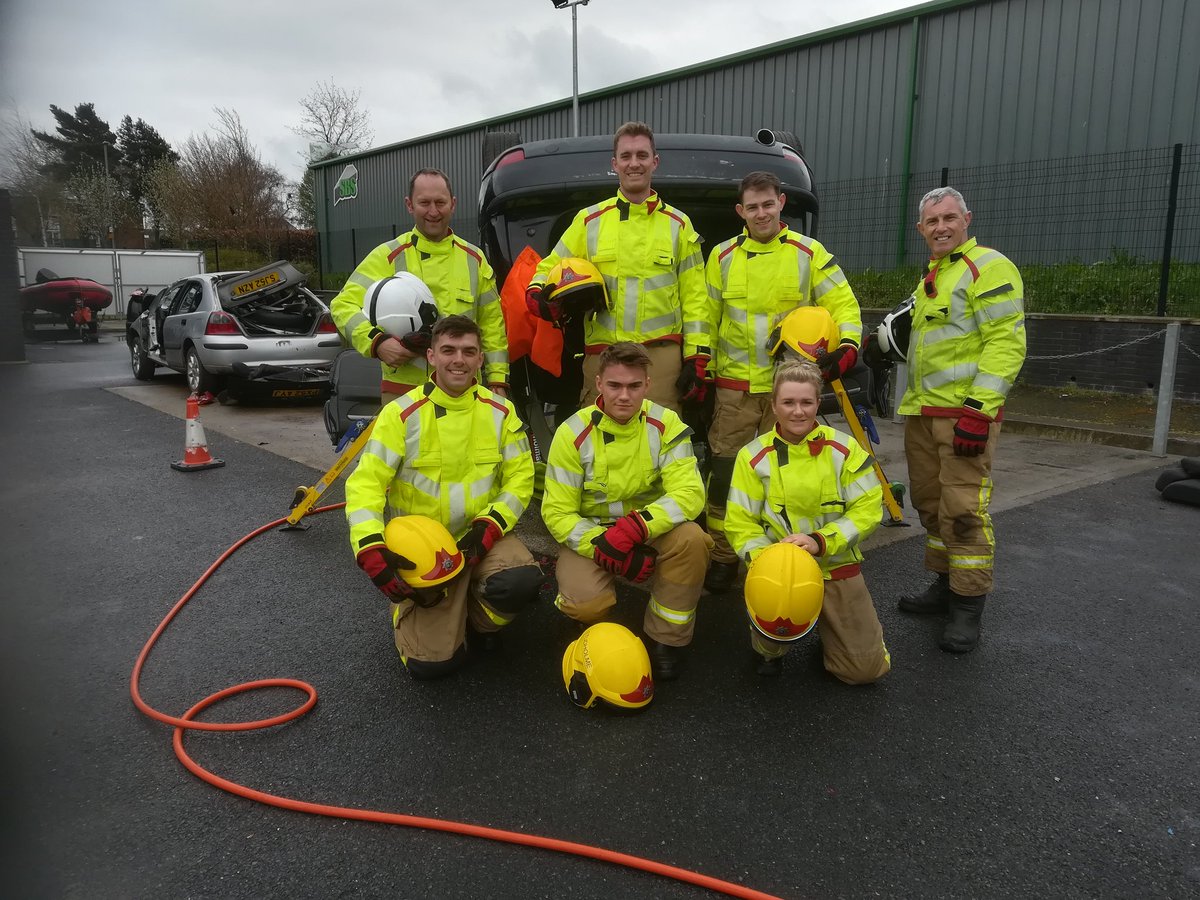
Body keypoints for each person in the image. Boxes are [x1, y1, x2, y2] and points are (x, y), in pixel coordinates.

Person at [344, 315, 542, 679]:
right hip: (425, 551)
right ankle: (419, 611)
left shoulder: (501, 412)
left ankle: (479, 622)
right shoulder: (400, 414)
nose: (459, 360)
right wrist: (370, 547)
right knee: (431, 667)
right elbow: (365, 485)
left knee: (522, 582)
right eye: (449, 350)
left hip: (481, 538)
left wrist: (490, 526)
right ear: (431, 356)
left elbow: (520, 480)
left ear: (480, 359)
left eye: (468, 351)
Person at [700, 170, 864, 594]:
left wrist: (848, 344)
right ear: (740, 211)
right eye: (752, 207)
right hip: (735, 390)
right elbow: (704, 316)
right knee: (724, 476)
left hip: (789, 391)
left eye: (768, 204)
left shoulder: (809, 253)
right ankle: (723, 556)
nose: (761, 213)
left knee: (787, 478)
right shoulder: (721, 257)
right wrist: (699, 364)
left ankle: (786, 555)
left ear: (781, 204)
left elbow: (843, 303)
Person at [894, 186, 1026, 653]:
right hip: (923, 413)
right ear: (921, 229)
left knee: (964, 510)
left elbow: (1006, 342)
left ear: (967, 219)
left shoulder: (986, 266)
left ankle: (968, 604)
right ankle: (944, 585)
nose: (941, 227)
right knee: (931, 505)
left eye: (949, 217)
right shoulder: (935, 274)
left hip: (964, 417)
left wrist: (978, 411)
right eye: (932, 221)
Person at [540, 342, 712, 681]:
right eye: (615, 385)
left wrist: (635, 529)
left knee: (693, 540)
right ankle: (594, 628)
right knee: (584, 603)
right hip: (593, 534)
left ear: (647, 385)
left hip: (648, 529)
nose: (624, 396)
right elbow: (558, 513)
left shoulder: (667, 424)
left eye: (634, 386)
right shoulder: (571, 433)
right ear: (599, 384)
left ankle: (666, 638)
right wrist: (605, 547)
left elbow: (690, 493)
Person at [724, 361, 890, 682]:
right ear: (774, 405)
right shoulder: (752, 456)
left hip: (835, 564)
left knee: (864, 671)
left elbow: (868, 510)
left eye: (806, 402)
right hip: (779, 574)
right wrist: (769, 564)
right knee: (770, 648)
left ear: (818, 403)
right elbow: (740, 522)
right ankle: (768, 649)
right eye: (788, 402)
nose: (798, 411)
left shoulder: (845, 449)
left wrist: (820, 541)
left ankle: (835, 640)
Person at [525, 122, 706, 413]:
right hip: (603, 357)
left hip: (660, 361)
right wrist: (537, 294)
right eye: (626, 156)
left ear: (655, 162)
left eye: (642, 155)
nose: (634, 163)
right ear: (615, 164)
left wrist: (697, 357)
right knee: (599, 437)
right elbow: (550, 266)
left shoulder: (679, 225)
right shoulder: (589, 221)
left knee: (659, 437)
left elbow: (696, 299)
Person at [331, 168, 508, 403]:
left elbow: (492, 325)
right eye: (424, 203)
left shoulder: (474, 260)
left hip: (463, 392)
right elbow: (342, 305)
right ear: (410, 205)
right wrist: (377, 342)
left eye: (440, 202)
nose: (433, 211)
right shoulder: (388, 256)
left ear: (453, 204)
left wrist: (497, 380)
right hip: (403, 394)